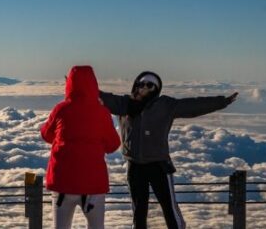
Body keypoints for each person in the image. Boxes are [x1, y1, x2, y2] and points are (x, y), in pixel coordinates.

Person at [99, 71, 238, 229]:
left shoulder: (165, 105)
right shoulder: (124, 104)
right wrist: (77, 85)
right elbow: (100, 96)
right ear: (136, 85)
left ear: (156, 90)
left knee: (169, 209)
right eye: (142, 83)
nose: (145, 87)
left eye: (150, 85)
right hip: (135, 166)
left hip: (159, 165)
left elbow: (193, 105)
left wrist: (222, 102)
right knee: (138, 212)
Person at [41, 65, 121, 229]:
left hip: (63, 183)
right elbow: (113, 145)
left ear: (69, 84)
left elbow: (46, 135)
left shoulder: (61, 109)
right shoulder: (102, 112)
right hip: (93, 185)